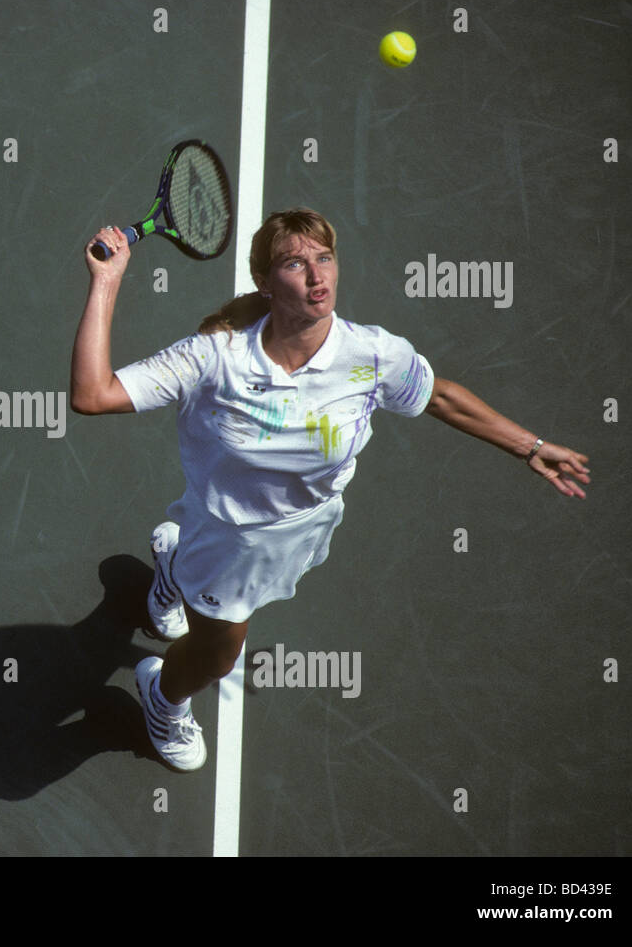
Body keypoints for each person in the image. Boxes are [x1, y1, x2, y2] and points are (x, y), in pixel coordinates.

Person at [70, 208, 591, 772]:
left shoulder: (370, 356)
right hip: (230, 538)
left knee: (211, 608)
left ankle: (175, 569)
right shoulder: (214, 358)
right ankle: (162, 696)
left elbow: (440, 397)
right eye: (295, 263)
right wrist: (107, 281)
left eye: (324, 258)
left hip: (304, 526)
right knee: (219, 655)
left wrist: (532, 447)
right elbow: (93, 393)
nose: (317, 276)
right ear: (266, 284)